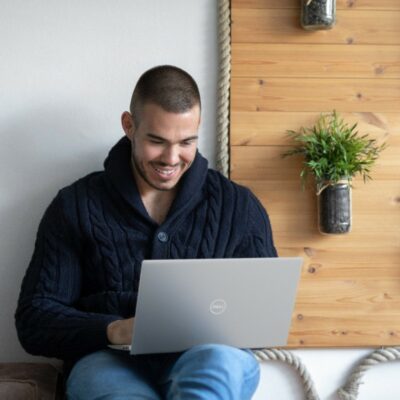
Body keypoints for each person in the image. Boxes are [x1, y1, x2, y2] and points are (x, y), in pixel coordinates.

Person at [15, 65, 277, 400]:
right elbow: (35, 319)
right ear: (129, 126)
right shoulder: (76, 205)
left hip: (207, 358)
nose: (171, 158)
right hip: (106, 361)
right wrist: (113, 329)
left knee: (217, 364)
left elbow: (262, 321)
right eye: (156, 141)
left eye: (186, 142)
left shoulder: (238, 206)